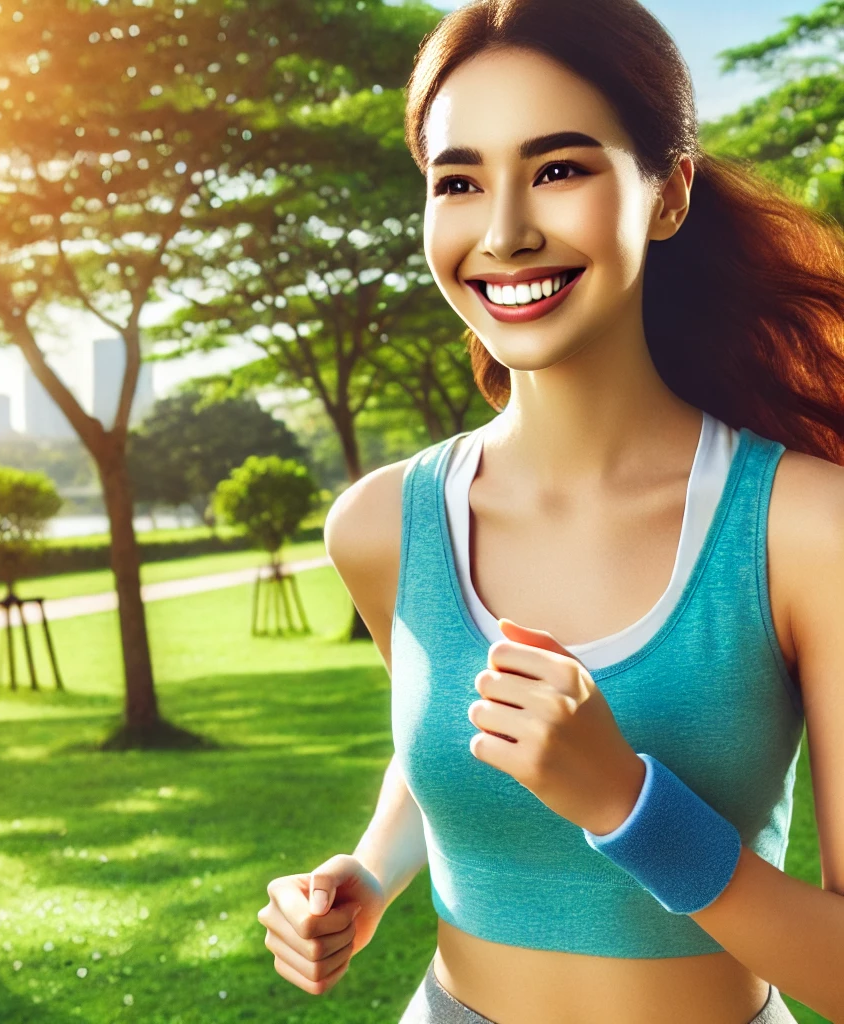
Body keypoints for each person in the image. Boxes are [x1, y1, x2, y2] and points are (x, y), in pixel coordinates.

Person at [256, 1, 844, 1021]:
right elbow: (441, 740)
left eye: (559, 168)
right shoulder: (380, 525)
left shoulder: (805, 530)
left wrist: (627, 803)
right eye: (458, 181)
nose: (504, 230)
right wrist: (369, 869)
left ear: (668, 196)